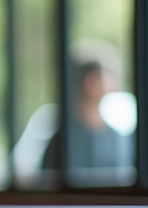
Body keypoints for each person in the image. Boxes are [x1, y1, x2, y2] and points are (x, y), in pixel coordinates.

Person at [42, 41, 133, 176]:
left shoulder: (114, 137)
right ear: (91, 82)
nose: (116, 81)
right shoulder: (65, 140)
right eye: (110, 74)